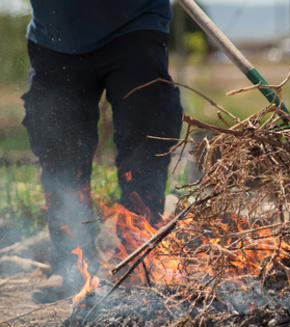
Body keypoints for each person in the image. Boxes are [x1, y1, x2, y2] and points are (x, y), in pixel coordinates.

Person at [22, 0, 183, 303]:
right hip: (57, 33)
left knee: (146, 139)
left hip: (135, 22)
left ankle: (137, 260)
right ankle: (73, 266)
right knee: (60, 150)